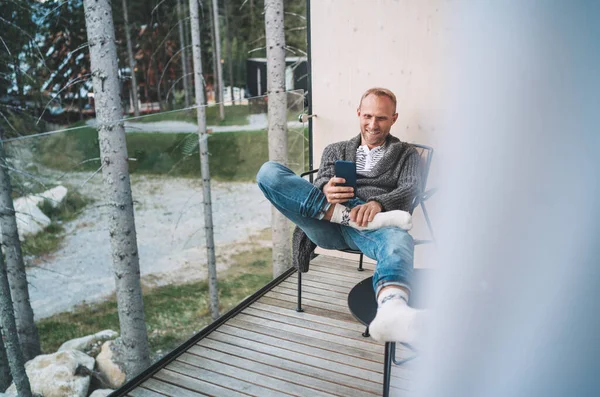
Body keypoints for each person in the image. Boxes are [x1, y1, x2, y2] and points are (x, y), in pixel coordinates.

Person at [256, 87, 423, 344]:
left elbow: (411, 188)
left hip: (371, 227)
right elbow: (322, 179)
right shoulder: (336, 150)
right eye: (367, 116)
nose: (372, 124)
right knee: (269, 172)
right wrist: (326, 188)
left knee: (399, 241)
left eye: (381, 118)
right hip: (327, 226)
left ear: (394, 118)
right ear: (358, 114)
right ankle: (337, 213)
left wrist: (379, 203)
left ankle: (393, 308)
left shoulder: (407, 154)